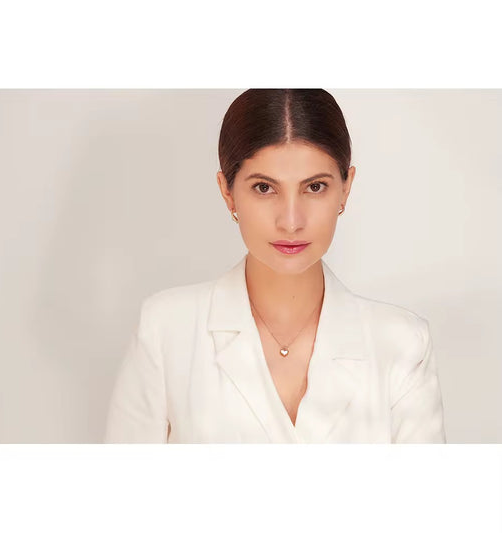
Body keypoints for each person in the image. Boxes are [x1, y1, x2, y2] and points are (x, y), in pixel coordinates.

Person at [104, 89, 446, 444]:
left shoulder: (402, 344)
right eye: (264, 188)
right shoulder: (166, 331)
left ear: (345, 189)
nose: (291, 221)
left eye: (315, 187)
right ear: (227, 192)